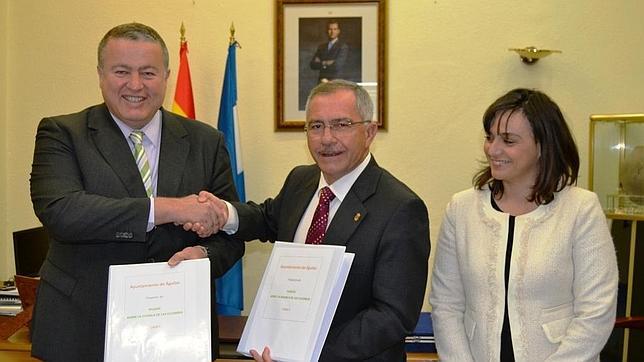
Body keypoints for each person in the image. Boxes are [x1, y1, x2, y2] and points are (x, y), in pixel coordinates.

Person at [29, 22, 243, 361]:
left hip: (178, 330)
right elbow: (62, 212)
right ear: (100, 74)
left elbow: (231, 234)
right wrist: (170, 209)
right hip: (83, 328)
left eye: (148, 72)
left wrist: (203, 256)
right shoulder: (62, 133)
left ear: (166, 76)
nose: (135, 85)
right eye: (121, 71)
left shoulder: (206, 141)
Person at [193, 80, 430, 361]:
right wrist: (225, 214)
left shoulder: (401, 208)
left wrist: (311, 356)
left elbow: (392, 316)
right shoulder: (300, 180)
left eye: (341, 125)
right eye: (316, 126)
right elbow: (266, 219)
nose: (327, 138)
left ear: (369, 132)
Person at [429, 88, 618, 361]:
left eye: (508, 140)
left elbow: (596, 311)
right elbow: (446, 305)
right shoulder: (461, 209)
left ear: (542, 145)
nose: (493, 149)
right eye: (490, 137)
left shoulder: (580, 209)